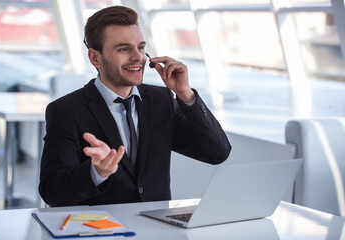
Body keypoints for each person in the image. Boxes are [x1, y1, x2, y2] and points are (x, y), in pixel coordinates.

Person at [39, 5, 231, 207]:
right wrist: (96, 173)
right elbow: (51, 191)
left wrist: (185, 94)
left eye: (140, 47)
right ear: (95, 58)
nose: (138, 57)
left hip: (158, 229)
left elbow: (217, 153)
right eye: (124, 49)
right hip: (102, 231)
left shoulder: (161, 99)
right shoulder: (66, 111)